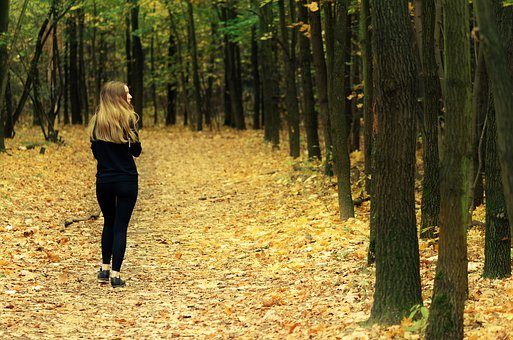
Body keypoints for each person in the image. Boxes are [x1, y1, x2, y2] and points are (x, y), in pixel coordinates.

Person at [88, 81, 141, 288]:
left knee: (108, 222)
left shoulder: (95, 123)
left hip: (104, 181)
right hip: (127, 180)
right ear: (117, 97)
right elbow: (136, 151)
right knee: (121, 226)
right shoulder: (128, 120)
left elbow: (95, 153)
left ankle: (104, 269)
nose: (130, 97)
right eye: (127, 94)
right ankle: (116, 276)